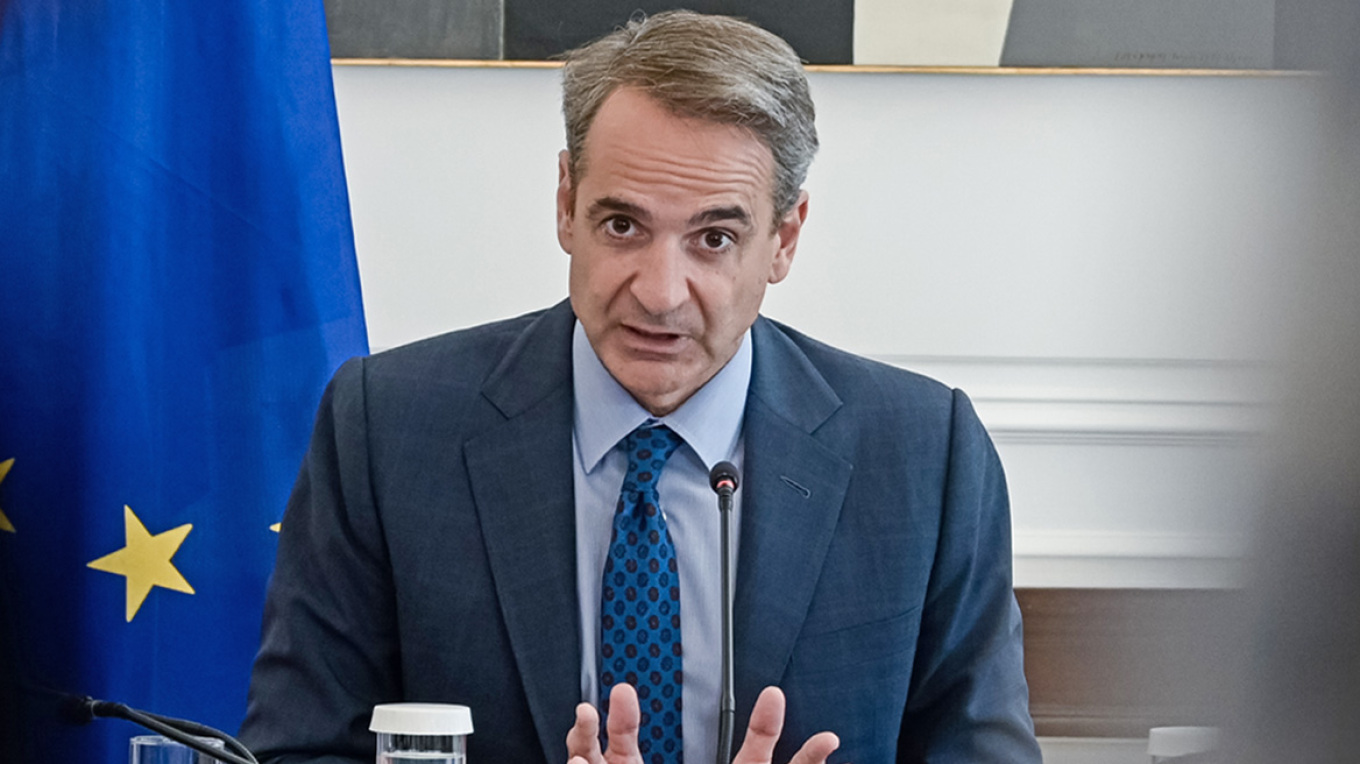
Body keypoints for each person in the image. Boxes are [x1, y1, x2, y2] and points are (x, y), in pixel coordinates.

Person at [239, 11, 1039, 764]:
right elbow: (297, 750)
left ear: (784, 239)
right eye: (623, 226)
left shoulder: (923, 456)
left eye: (714, 238)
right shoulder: (386, 429)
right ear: (566, 204)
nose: (660, 293)